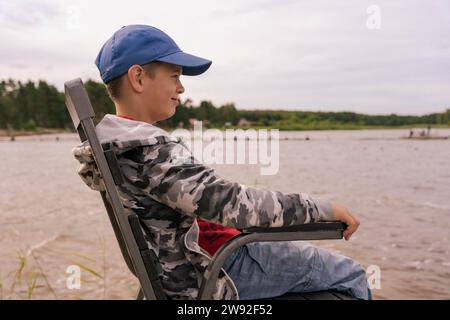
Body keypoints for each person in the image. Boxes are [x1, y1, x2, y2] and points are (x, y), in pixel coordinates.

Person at [72, 25, 370, 300]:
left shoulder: (116, 145)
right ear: (138, 78)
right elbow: (234, 204)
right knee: (351, 275)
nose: (181, 88)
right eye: (174, 75)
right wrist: (323, 209)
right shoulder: (149, 151)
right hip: (219, 265)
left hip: (200, 260)